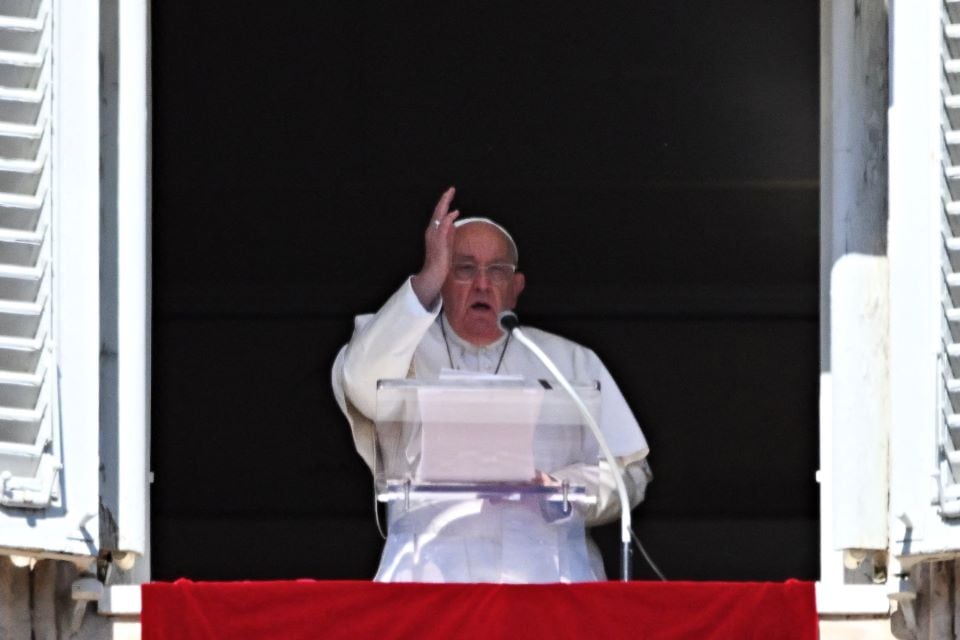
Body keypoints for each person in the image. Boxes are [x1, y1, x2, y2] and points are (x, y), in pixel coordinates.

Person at [331, 186, 651, 582]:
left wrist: (562, 488)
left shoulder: (570, 361)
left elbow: (629, 474)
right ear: (444, 279)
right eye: (464, 268)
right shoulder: (402, 346)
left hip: (549, 576)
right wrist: (427, 277)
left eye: (497, 271)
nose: (482, 284)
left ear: (516, 288)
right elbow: (362, 386)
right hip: (429, 572)